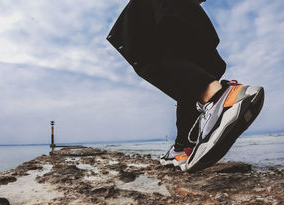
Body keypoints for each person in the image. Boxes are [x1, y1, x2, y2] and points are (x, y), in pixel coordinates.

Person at [107, 0, 264, 172]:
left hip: (166, 10)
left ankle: (219, 98)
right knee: (189, 72)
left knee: (144, 49)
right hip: (188, 19)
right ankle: (182, 147)